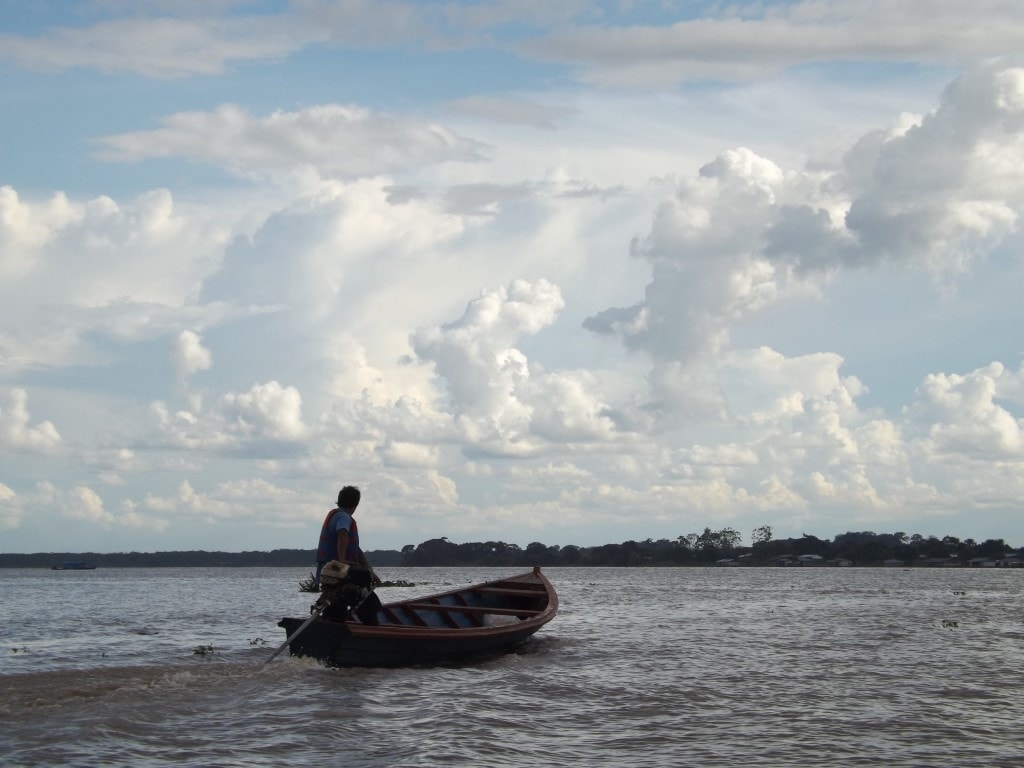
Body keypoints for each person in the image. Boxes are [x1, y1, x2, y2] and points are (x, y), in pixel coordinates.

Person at [314, 486, 382, 623]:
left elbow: (355, 548)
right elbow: (343, 533)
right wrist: (342, 559)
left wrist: (371, 572)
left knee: (336, 609)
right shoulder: (343, 517)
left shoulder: (336, 515)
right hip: (340, 573)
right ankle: (372, 633)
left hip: (332, 574)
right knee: (370, 605)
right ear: (356, 504)